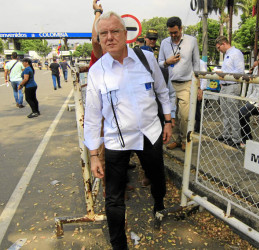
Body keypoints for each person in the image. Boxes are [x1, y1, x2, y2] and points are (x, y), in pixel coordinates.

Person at [84, 11, 172, 249]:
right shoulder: (96, 72)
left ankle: (159, 204)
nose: (109, 37)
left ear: (126, 34)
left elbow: (162, 92)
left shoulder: (145, 59)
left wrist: (168, 121)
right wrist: (93, 154)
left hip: (149, 133)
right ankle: (118, 244)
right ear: (99, 38)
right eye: (104, 33)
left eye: (115, 31)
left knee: (157, 178)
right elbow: (92, 117)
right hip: (116, 140)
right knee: (113, 198)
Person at [159, 16, 200, 152]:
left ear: (181, 29)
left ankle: (185, 140)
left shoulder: (191, 41)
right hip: (170, 84)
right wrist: (167, 62)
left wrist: (198, 86)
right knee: (172, 114)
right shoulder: (165, 43)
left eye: (175, 32)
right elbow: (159, 62)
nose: (173, 35)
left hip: (186, 83)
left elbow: (196, 64)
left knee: (185, 115)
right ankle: (176, 140)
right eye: (170, 33)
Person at [215, 36, 244, 147]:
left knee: (233, 113)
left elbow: (239, 71)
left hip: (232, 86)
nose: (219, 50)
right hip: (225, 86)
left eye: (219, 47)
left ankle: (236, 138)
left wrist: (224, 74)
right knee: (225, 112)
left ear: (223, 43)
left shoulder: (236, 53)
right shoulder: (227, 54)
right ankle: (226, 135)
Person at [195, 59, 208, 133]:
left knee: (197, 110)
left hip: (198, 89)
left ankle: (197, 128)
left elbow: (204, 78)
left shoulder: (201, 63)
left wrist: (201, 90)